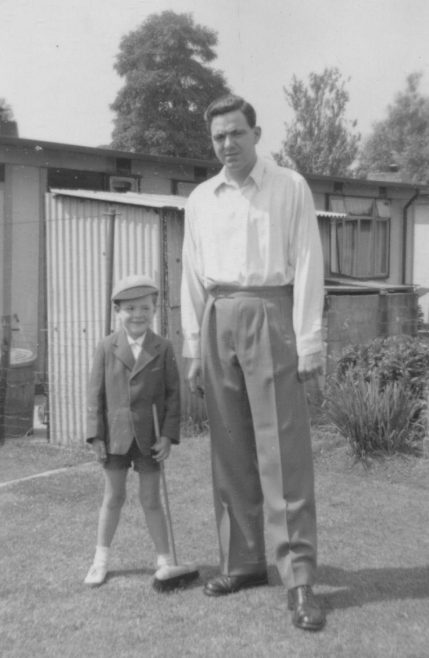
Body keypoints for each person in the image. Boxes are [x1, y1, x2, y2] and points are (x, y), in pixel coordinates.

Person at [181, 95, 326, 631]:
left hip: (271, 312)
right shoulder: (200, 197)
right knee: (230, 443)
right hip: (218, 315)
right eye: (218, 136)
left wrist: (309, 339)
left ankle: (300, 577)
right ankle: (242, 562)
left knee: (282, 450)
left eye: (236, 134)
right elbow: (191, 274)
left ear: (256, 133)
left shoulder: (289, 187)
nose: (227, 145)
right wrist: (194, 346)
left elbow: (310, 260)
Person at [84, 274, 181, 587]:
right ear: (118, 311)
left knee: (151, 499)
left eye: (144, 307)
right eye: (130, 309)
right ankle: (100, 561)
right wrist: (96, 435)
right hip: (115, 437)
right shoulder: (105, 346)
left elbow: (172, 394)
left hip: (150, 437)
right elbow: (94, 393)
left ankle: (165, 560)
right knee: (113, 497)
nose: (137, 314)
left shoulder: (163, 347)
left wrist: (167, 436)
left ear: (154, 309)